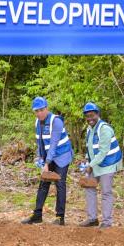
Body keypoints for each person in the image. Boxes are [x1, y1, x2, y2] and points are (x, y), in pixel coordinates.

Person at [21, 97, 73, 226]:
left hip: (62, 156)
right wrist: (40, 158)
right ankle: (37, 215)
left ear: (47, 108)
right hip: (49, 157)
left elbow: (54, 144)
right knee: (43, 183)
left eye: (41, 110)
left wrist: (47, 163)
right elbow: (41, 143)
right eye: (36, 111)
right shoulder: (37, 123)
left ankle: (60, 217)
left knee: (60, 184)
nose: (39, 113)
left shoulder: (56, 121)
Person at [79, 102, 122, 229]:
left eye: (92, 115)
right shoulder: (89, 129)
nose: (89, 118)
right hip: (95, 163)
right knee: (89, 187)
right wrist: (87, 161)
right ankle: (92, 219)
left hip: (108, 163)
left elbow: (103, 151)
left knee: (106, 192)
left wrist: (90, 165)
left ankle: (107, 222)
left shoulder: (105, 129)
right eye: (87, 116)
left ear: (97, 114)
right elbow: (90, 148)